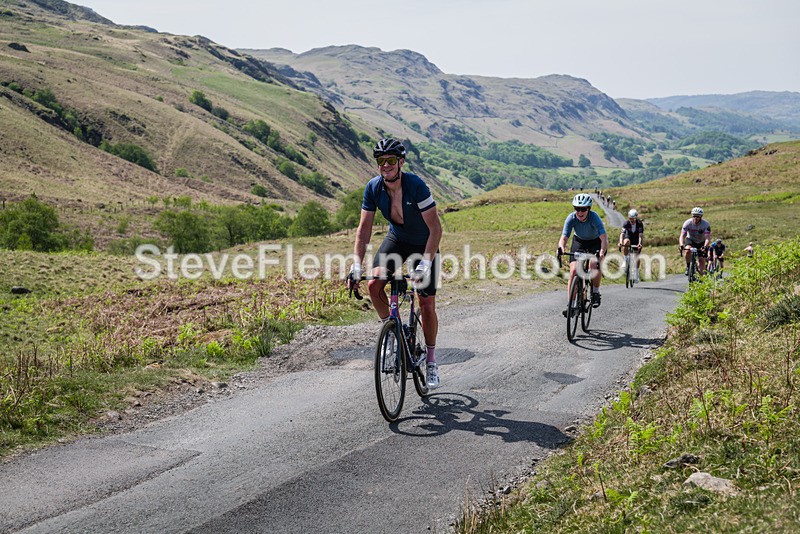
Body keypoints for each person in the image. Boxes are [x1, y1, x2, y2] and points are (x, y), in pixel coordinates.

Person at [347, 138, 443, 389]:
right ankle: (392, 335)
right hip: (397, 241)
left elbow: (435, 229)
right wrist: (356, 265)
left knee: (426, 302)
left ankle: (431, 360)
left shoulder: (416, 186)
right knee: (374, 284)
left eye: (390, 160)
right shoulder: (374, 188)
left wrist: (426, 262)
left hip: (424, 244)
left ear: (400, 162)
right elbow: (363, 230)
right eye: (381, 161)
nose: (385, 166)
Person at [558, 193, 608, 315]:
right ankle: (572, 305)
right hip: (579, 242)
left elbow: (604, 237)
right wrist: (561, 248)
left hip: (595, 242)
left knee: (593, 264)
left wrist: (601, 251)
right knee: (574, 271)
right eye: (577, 209)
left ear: (588, 209)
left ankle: (595, 292)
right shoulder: (571, 218)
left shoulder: (594, 217)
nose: (580, 212)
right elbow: (564, 237)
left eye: (583, 209)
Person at [679, 207, 711, 276]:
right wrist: (681, 244)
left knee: (702, 264)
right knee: (687, 251)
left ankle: (702, 280)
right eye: (694, 216)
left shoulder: (705, 224)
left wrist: (705, 246)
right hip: (691, 240)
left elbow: (707, 238)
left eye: (697, 216)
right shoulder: (687, 223)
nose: (695, 218)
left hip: (702, 242)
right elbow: (682, 236)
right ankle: (688, 267)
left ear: (701, 217)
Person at [618, 209, 644, 282]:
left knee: (637, 256)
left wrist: (639, 243)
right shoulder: (626, 223)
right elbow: (622, 234)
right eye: (630, 218)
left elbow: (640, 235)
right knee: (626, 242)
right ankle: (625, 260)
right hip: (628, 237)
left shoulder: (639, 223)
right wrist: (620, 242)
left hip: (636, 238)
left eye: (633, 219)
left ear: (636, 218)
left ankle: (636, 274)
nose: (631, 220)